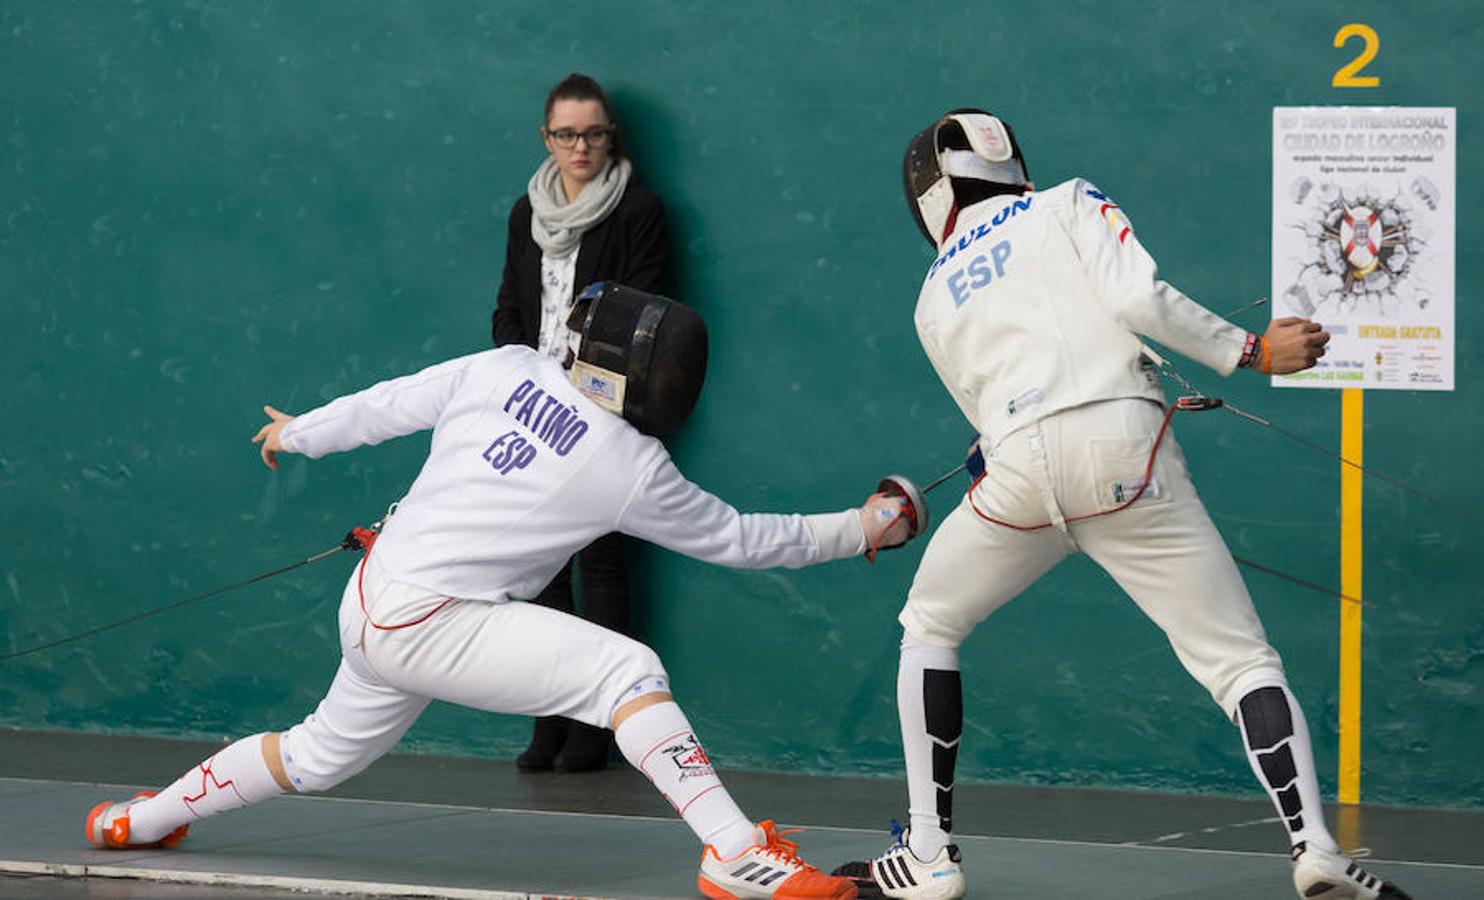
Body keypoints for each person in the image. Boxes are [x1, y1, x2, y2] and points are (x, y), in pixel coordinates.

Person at [85, 284, 911, 900]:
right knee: (625, 673)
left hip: (372, 604)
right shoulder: (631, 468)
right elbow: (745, 540)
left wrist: (295, 433)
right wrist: (863, 526)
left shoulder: (502, 366)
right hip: (431, 624)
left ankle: (141, 819)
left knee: (315, 754)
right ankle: (733, 853)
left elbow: (384, 407)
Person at [831, 110, 1410, 900]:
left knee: (929, 626)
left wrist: (995, 453)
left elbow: (992, 412)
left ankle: (930, 854)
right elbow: (1137, 297)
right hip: (1124, 454)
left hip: (1018, 481)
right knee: (1239, 661)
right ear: (1009, 165)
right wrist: (1253, 351)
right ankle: (1315, 851)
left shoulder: (931, 295)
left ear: (930, 200)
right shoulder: (1066, 202)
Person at [490, 72, 669, 772]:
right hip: (533, 409)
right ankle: (551, 718)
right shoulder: (524, 214)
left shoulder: (638, 211)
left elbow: (646, 310)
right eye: (566, 134)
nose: (580, 146)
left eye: (592, 132)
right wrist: (518, 371)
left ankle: (598, 723)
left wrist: (584, 382)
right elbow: (510, 304)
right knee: (540, 568)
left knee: (601, 561)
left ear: (609, 135)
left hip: (602, 408)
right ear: (547, 138)